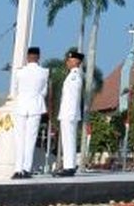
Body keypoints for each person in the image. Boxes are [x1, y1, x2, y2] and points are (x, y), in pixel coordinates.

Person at [11, 46, 50, 179]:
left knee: (19, 139)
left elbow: (15, 90)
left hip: (21, 105)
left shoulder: (19, 72)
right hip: (35, 106)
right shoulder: (44, 72)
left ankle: (18, 169)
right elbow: (44, 92)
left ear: (27, 57)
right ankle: (26, 169)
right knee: (31, 139)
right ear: (38, 57)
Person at [56, 49, 85, 177]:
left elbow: (72, 97)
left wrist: (71, 112)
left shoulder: (74, 75)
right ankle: (68, 165)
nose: (67, 62)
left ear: (76, 61)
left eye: (69, 60)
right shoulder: (71, 75)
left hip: (70, 112)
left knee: (69, 139)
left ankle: (69, 166)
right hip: (68, 112)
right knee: (67, 140)